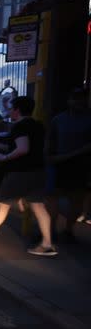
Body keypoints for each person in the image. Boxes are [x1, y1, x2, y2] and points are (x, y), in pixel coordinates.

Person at [0, 96, 56, 256]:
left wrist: (3, 158)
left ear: (17, 110)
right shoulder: (38, 126)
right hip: (37, 171)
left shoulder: (19, 126)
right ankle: (47, 244)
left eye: (11, 108)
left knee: (1, 206)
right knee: (39, 207)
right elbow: (27, 148)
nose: (9, 111)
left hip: (19, 173)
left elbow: (23, 149)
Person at [45, 88, 91, 241]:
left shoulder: (88, 119)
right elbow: (50, 142)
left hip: (80, 166)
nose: (79, 102)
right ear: (69, 100)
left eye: (82, 98)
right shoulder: (58, 120)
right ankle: (51, 230)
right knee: (53, 199)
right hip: (59, 164)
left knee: (76, 201)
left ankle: (68, 229)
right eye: (75, 98)